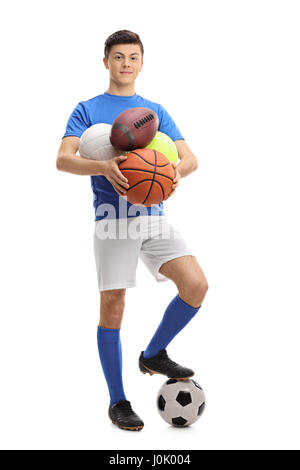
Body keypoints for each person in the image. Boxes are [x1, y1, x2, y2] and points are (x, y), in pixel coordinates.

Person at [56, 30, 209, 431]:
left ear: (142, 63)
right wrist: (103, 167)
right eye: (119, 56)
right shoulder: (87, 109)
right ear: (105, 61)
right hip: (112, 218)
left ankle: (154, 352)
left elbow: (190, 158)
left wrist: (172, 171)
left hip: (153, 214)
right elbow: (63, 160)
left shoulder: (154, 111)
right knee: (113, 307)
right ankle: (118, 401)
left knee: (196, 286)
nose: (126, 63)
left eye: (134, 57)